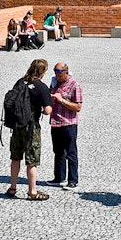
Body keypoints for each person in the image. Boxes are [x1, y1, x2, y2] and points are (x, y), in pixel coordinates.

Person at [6, 59, 54, 201]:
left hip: (17, 125)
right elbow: (47, 110)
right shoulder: (41, 87)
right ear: (42, 72)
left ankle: (12, 187)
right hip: (31, 126)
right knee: (32, 160)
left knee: (15, 157)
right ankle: (32, 191)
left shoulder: (21, 82)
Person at [49, 63, 83, 188]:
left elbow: (78, 107)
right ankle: (59, 177)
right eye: (55, 74)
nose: (57, 76)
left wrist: (62, 100)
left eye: (59, 74)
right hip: (55, 122)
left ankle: (73, 180)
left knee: (71, 152)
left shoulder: (75, 85)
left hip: (69, 123)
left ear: (66, 72)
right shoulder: (54, 82)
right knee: (58, 152)